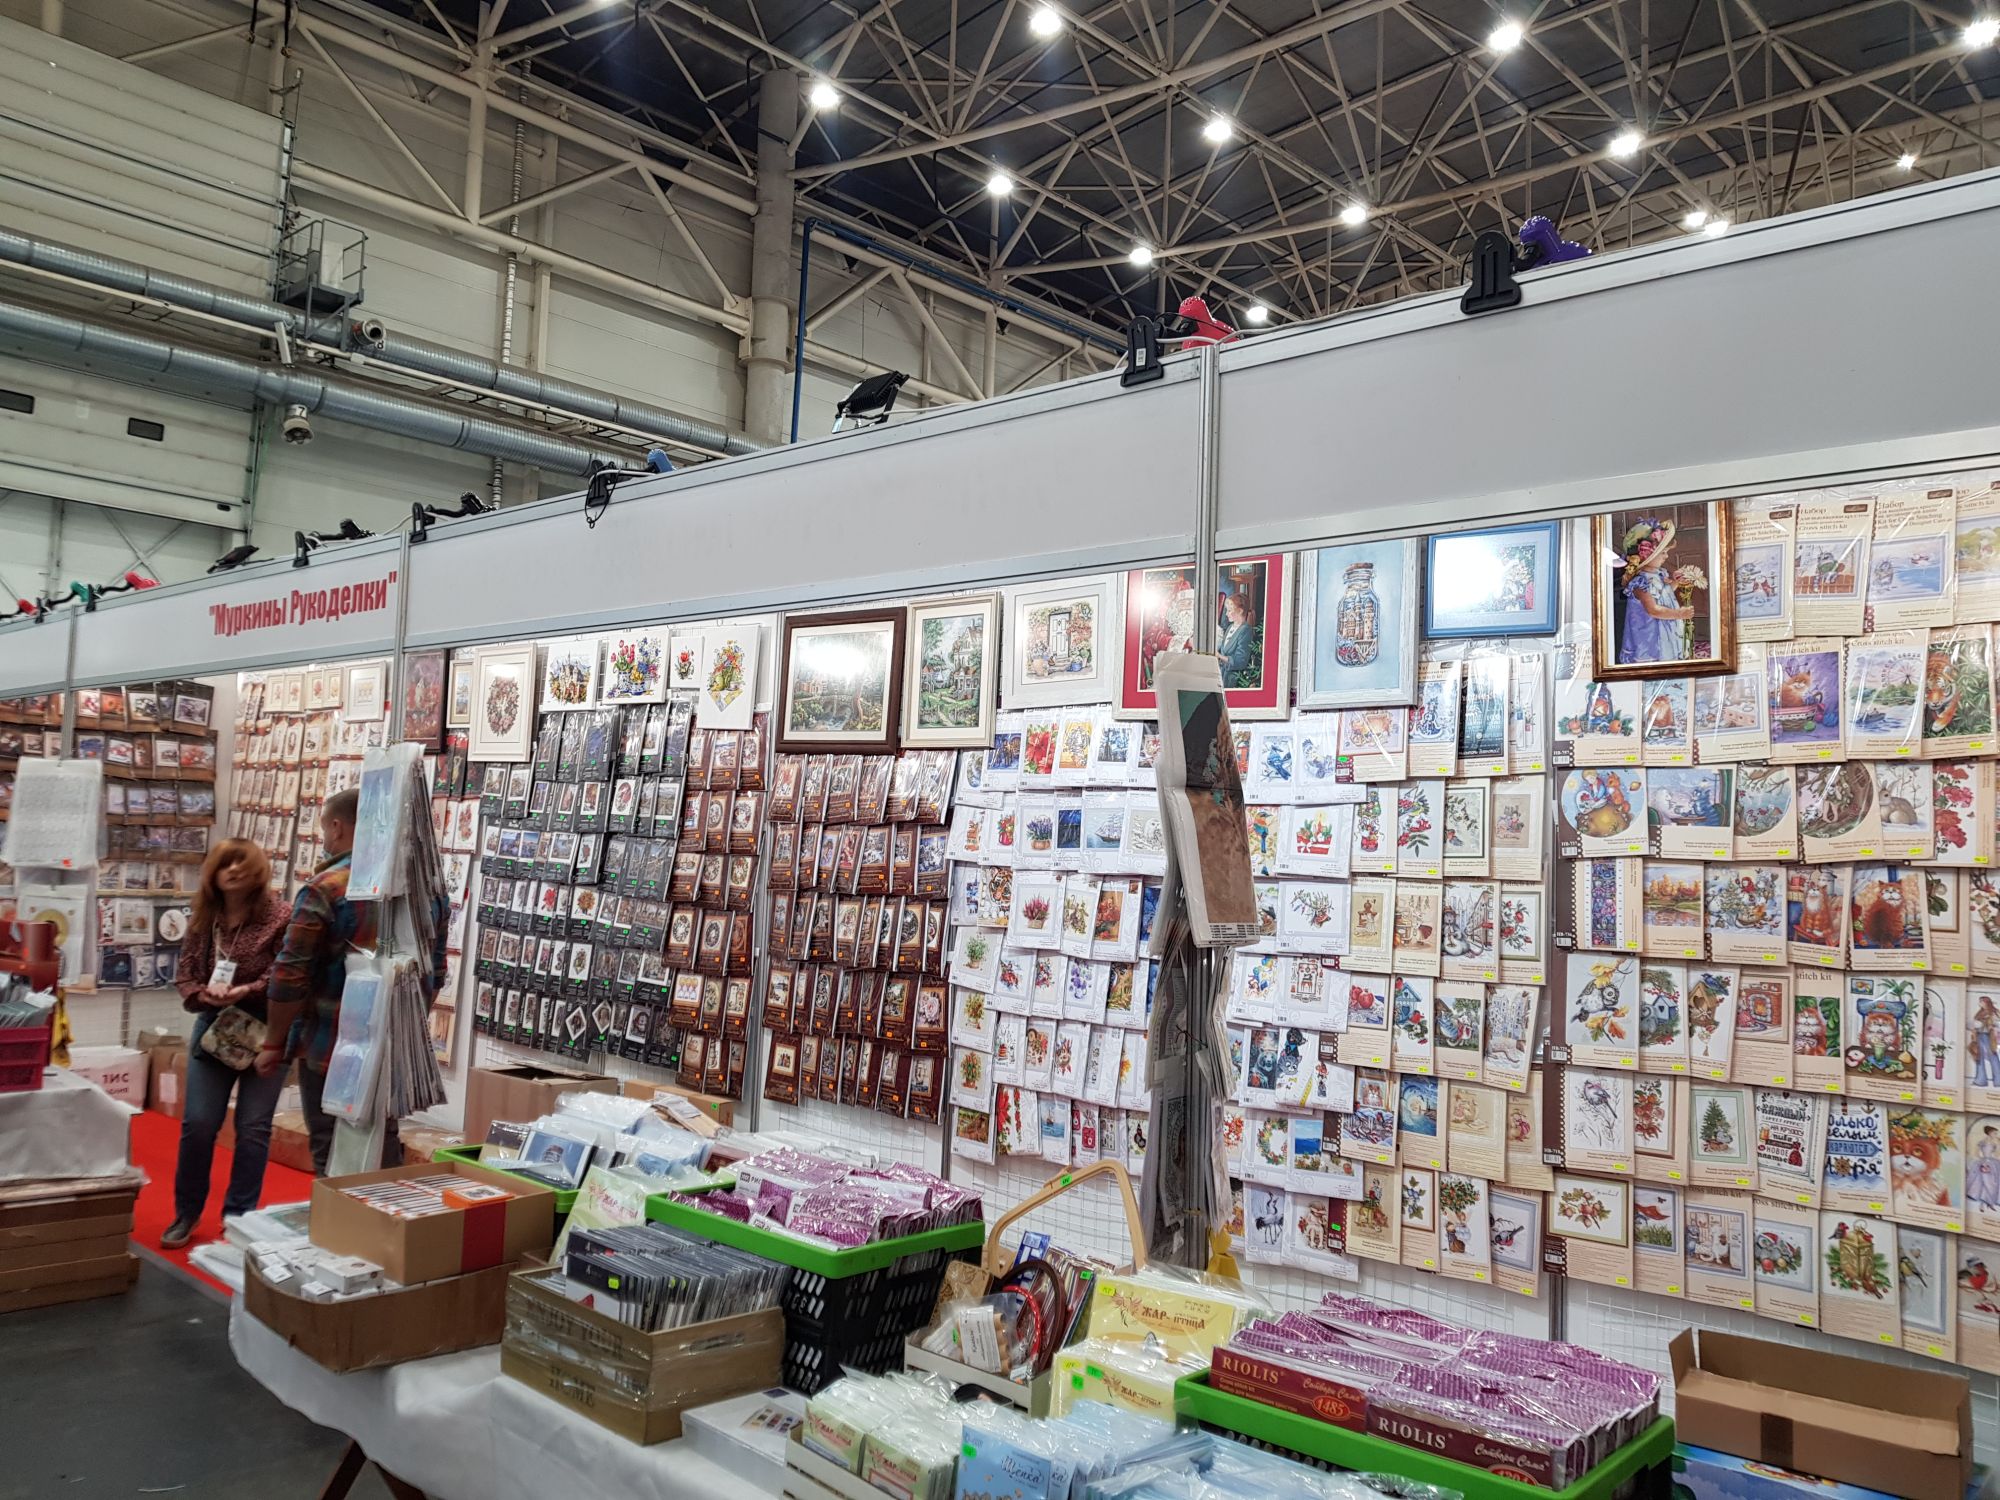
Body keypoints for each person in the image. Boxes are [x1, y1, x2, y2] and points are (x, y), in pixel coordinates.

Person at [258, 788, 448, 1174]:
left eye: (325, 829)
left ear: (338, 827)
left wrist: (274, 1042)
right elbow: (434, 974)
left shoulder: (325, 887)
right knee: (383, 1145)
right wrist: (402, 1028)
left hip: (331, 1045)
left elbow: (290, 976)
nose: (325, 838)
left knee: (331, 1152)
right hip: (392, 1048)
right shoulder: (428, 888)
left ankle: (341, 1214)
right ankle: (386, 1212)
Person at [162, 839, 293, 1249]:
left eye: (242, 863)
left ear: (258, 870)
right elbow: (185, 975)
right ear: (213, 873)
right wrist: (205, 994)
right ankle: (186, 1213)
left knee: (253, 1129)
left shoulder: (281, 916)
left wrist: (245, 990)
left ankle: (240, 1218)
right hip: (214, 1027)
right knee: (198, 1124)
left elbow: (286, 973)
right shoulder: (204, 918)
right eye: (225, 864)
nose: (233, 870)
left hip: (268, 1031)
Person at [1619, 519, 1695, 664]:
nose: (1666, 556)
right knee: (1655, 658)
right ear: (1647, 556)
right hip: (1650, 636)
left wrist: (1675, 582)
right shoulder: (1640, 583)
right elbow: (1653, 610)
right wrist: (1679, 614)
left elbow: (1664, 594)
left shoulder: (1660, 574)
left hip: (1664, 629)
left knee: (1668, 652)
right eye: (1663, 552)